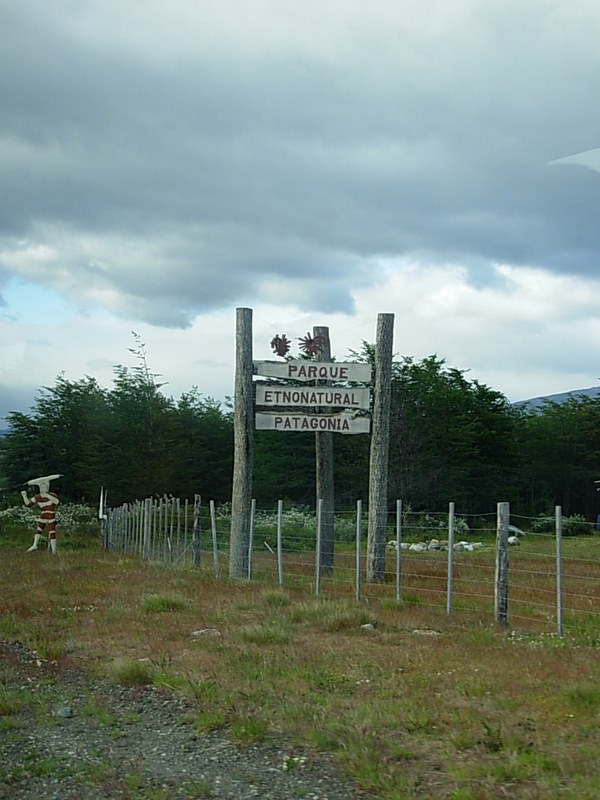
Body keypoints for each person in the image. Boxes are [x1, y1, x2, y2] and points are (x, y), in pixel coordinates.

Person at [21, 474, 62, 554]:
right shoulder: (37, 497)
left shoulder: (52, 495)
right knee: (38, 530)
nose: (42, 489)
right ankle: (34, 545)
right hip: (43, 516)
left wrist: (47, 495)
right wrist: (24, 496)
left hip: (50, 516)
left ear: (47, 487)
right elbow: (28, 504)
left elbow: (56, 502)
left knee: (52, 532)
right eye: (41, 487)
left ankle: (54, 550)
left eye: (44, 487)